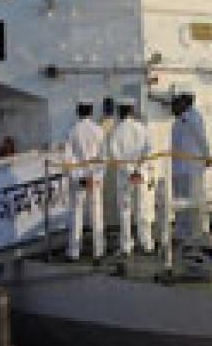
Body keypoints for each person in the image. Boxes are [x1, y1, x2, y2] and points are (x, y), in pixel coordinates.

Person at [107, 98, 154, 255]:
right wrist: (138, 171)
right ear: (132, 110)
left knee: (125, 212)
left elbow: (114, 155)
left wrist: (129, 172)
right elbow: (149, 150)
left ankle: (126, 246)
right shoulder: (142, 128)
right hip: (141, 177)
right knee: (143, 211)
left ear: (120, 111)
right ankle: (147, 244)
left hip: (124, 178)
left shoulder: (115, 131)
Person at [64, 100, 106, 261]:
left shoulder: (72, 131)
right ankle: (98, 250)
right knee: (96, 214)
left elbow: (68, 158)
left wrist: (78, 177)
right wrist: (96, 178)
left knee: (76, 214)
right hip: (94, 178)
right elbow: (103, 158)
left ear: (78, 111)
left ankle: (74, 252)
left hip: (79, 180)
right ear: (91, 111)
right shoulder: (99, 130)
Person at [170, 88, 210, 205]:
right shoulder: (178, 121)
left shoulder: (194, 118)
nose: (175, 106)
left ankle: (192, 224)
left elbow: (201, 138)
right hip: (180, 168)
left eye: (179, 101)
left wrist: (207, 156)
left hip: (192, 168)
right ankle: (181, 224)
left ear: (185, 102)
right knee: (180, 201)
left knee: (193, 201)